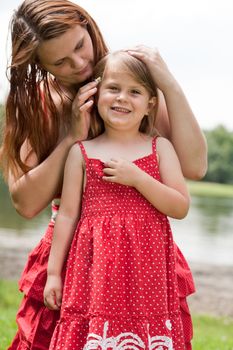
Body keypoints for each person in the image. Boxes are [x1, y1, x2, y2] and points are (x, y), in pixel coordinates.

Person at [0, 0, 206, 349]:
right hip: (74, 256)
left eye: (80, 46)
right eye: (60, 62)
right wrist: (71, 138)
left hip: (142, 253)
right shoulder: (40, 104)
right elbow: (24, 202)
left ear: (87, 25)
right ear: (40, 65)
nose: (79, 64)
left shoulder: (129, 85)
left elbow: (195, 167)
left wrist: (167, 83)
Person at [44, 50, 191, 350]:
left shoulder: (159, 148)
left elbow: (180, 206)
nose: (122, 98)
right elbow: (68, 215)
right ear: (97, 95)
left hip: (145, 276)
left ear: (150, 104)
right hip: (94, 274)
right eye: (113, 88)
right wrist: (52, 274)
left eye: (134, 91)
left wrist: (138, 179)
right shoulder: (81, 153)